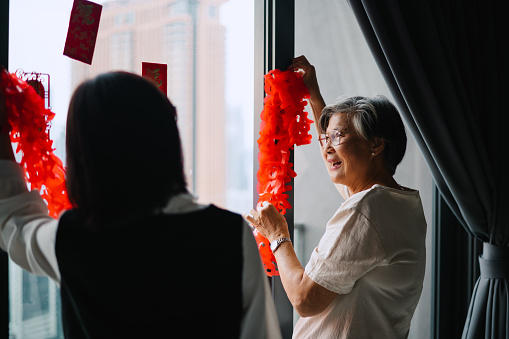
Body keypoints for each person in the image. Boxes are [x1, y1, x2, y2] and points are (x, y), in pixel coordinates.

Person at [0, 71, 282, 339]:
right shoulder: (230, 235)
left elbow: (14, 219)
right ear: (169, 142)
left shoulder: (72, 239)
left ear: (84, 160)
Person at [245, 55, 427, 338]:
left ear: (376, 144)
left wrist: (277, 234)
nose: (327, 148)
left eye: (338, 137)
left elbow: (304, 299)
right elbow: (332, 153)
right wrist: (314, 95)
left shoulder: (366, 211)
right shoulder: (398, 202)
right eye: (325, 138)